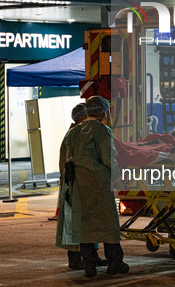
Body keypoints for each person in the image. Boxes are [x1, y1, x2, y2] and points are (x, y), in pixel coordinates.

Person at [63, 96, 128, 278]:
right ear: (102, 112)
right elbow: (108, 157)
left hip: (80, 184)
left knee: (85, 226)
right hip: (99, 183)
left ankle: (89, 266)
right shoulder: (102, 131)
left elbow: (69, 156)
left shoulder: (75, 131)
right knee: (108, 224)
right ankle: (115, 262)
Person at [56, 103, 108, 270]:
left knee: (86, 222)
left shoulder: (78, 133)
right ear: (82, 117)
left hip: (79, 183)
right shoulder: (76, 134)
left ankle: (91, 257)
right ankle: (77, 259)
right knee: (76, 223)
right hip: (76, 184)